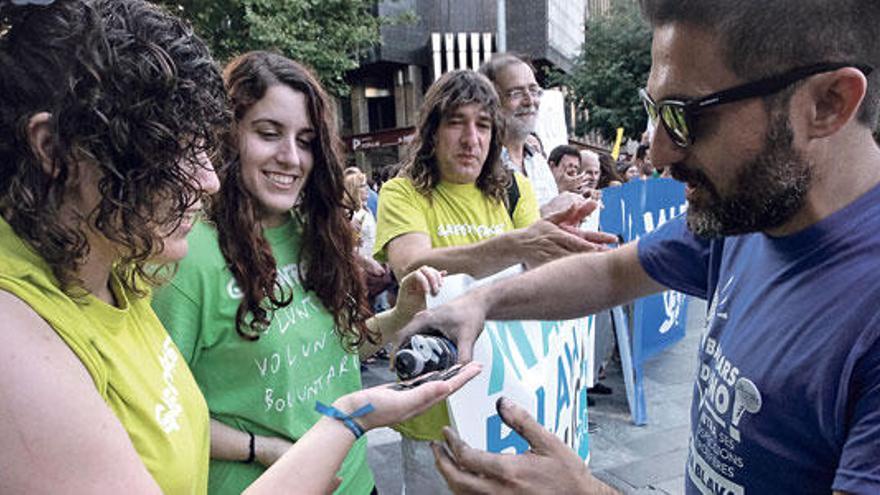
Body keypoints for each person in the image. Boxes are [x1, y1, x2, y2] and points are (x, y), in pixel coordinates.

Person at [0, 2, 482, 493]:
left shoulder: (120, 269)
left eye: (308, 140)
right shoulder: (25, 329)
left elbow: (330, 348)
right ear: (54, 149)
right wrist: (338, 423)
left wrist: (395, 325)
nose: (208, 180)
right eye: (171, 152)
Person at [403, 0, 880, 493]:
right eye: (653, 110)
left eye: (686, 116)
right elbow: (611, 273)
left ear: (829, 102)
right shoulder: (753, 217)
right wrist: (480, 301)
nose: (658, 150)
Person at [149, 51, 456, 494]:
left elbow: (337, 350)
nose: (291, 157)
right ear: (228, 135)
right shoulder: (185, 254)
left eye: (307, 139)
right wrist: (261, 448)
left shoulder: (314, 232)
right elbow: (158, 410)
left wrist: (398, 316)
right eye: (268, 133)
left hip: (354, 480)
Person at [374, 69, 617, 493]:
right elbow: (411, 265)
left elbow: (539, 273)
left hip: (510, 405)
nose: (472, 138)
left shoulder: (515, 190)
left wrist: (566, 248)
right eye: (456, 122)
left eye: (483, 124)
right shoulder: (404, 192)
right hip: (436, 419)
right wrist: (516, 245)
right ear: (431, 132)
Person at [480, 53, 582, 217]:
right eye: (516, 93)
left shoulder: (538, 162)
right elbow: (486, 234)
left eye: (534, 91)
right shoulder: (481, 163)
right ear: (490, 101)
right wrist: (547, 213)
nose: (530, 101)